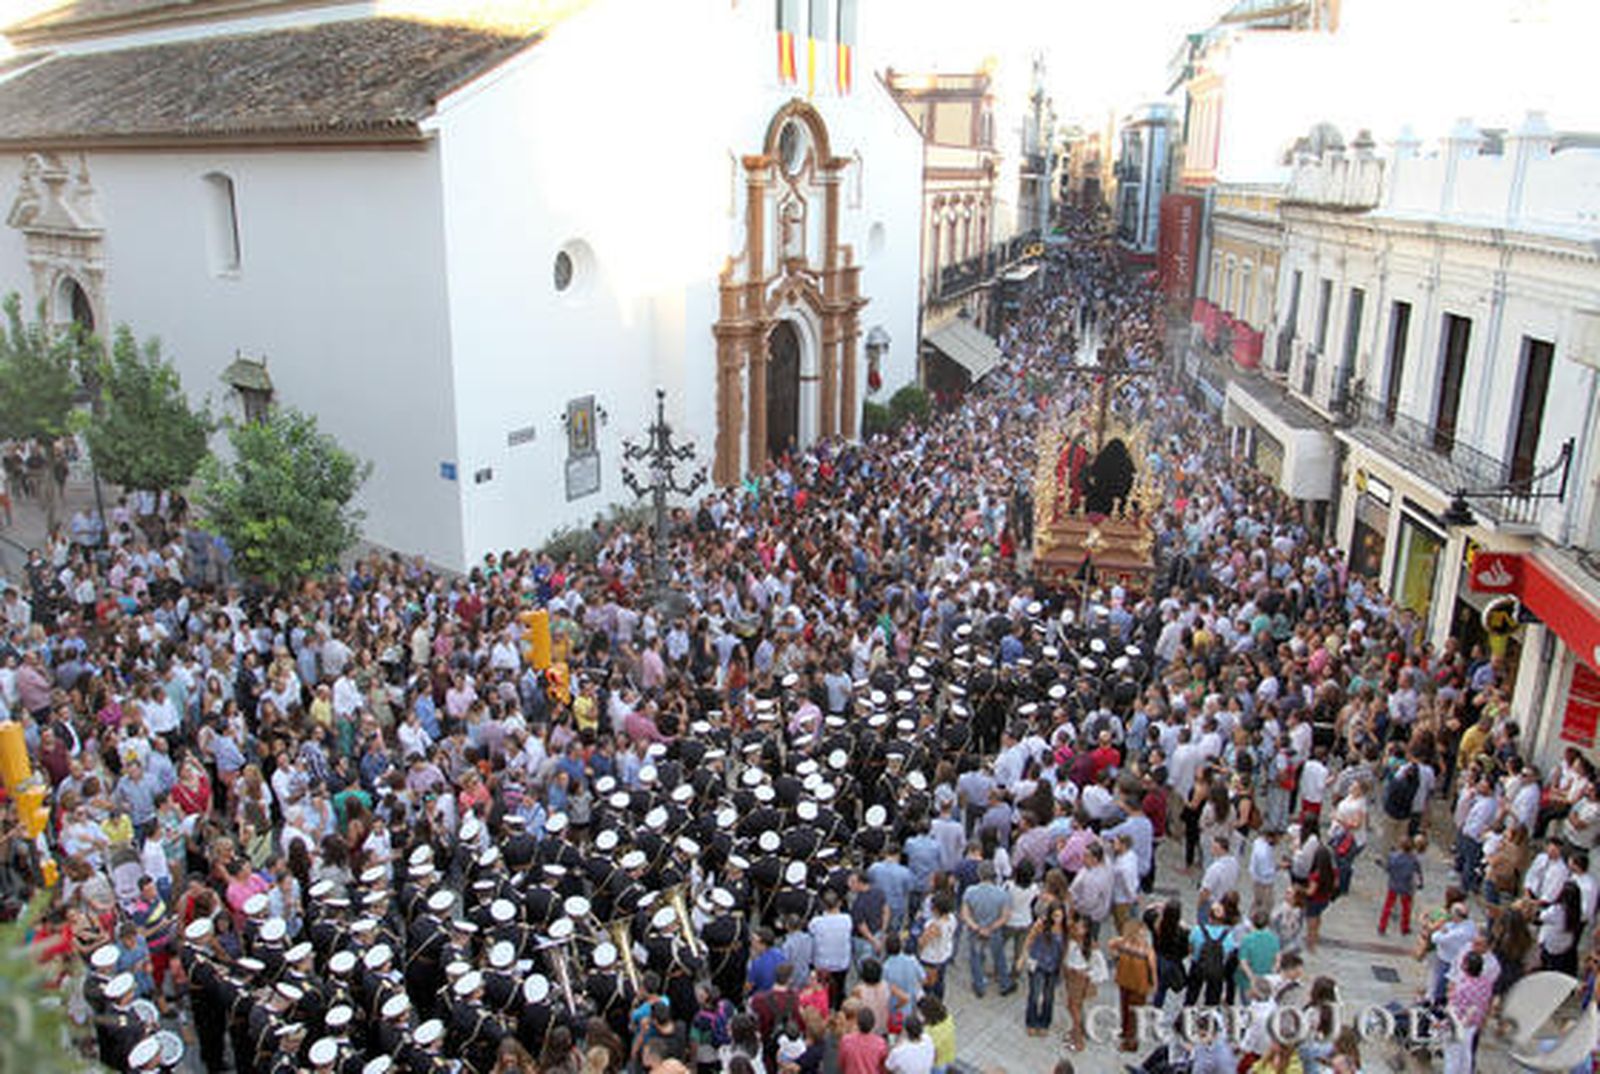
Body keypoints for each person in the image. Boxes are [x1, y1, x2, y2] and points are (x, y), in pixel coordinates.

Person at [959, 863, 1012, 998]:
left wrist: (976, 927)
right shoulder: (1002, 893)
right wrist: (991, 927)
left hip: (975, 931)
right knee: (999, 956)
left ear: (979, 874)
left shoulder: (970, 891)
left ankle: (979, 986)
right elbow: (1005, 917)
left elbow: (964, 914)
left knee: (975, 957)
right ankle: (1004, 984)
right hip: (994, 931)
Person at [1017, 901, 1066, 1036]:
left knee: (1049, 996)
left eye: (1060, 916)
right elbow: (1029, 939)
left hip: (1054, 965)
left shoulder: (1065, 928)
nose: (1058, 919)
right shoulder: (1041, 924)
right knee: (1034, 993)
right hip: (1038, 963)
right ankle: (1031, 1022)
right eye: (1055, 916)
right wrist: (1023, 957)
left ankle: (1044, 1023)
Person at [1108, 916, 1156, 1053]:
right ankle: (1125, 1033)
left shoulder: (1146, 950)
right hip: (1126, 981)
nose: (1140, 935)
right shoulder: (1126, 943)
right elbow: (1111, 943)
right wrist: (1116, 957)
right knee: (1125, 1008)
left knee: (1133, 1014)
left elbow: (1153, 969)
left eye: (1142, 933)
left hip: (1138, 985)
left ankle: (1131, 1043)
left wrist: (1153, 986)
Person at [1379, 834, 1424, 936]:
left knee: (1388, 906)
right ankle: (1404, 928)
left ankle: (1382, 926)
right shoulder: (1413, 860)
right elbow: (1418, 873)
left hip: (1393, 884)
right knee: (1406, 909)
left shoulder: (1392, 856)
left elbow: (1388, 869)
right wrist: (1420, 883)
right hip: (1406, 886)